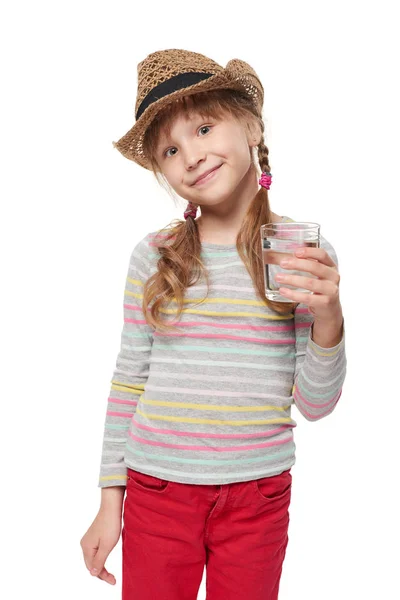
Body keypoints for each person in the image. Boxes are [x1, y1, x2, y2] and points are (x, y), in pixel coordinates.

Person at [80, 48, 347, 600]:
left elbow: (316, 406)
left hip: (258, 498)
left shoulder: (299, 256)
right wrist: (111, 502)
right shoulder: (153, 257)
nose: (192, 156)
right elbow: (129, 377)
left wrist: (329, 317)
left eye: (204, 127)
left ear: (249, 125)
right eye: (171, 149)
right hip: (157, 491)